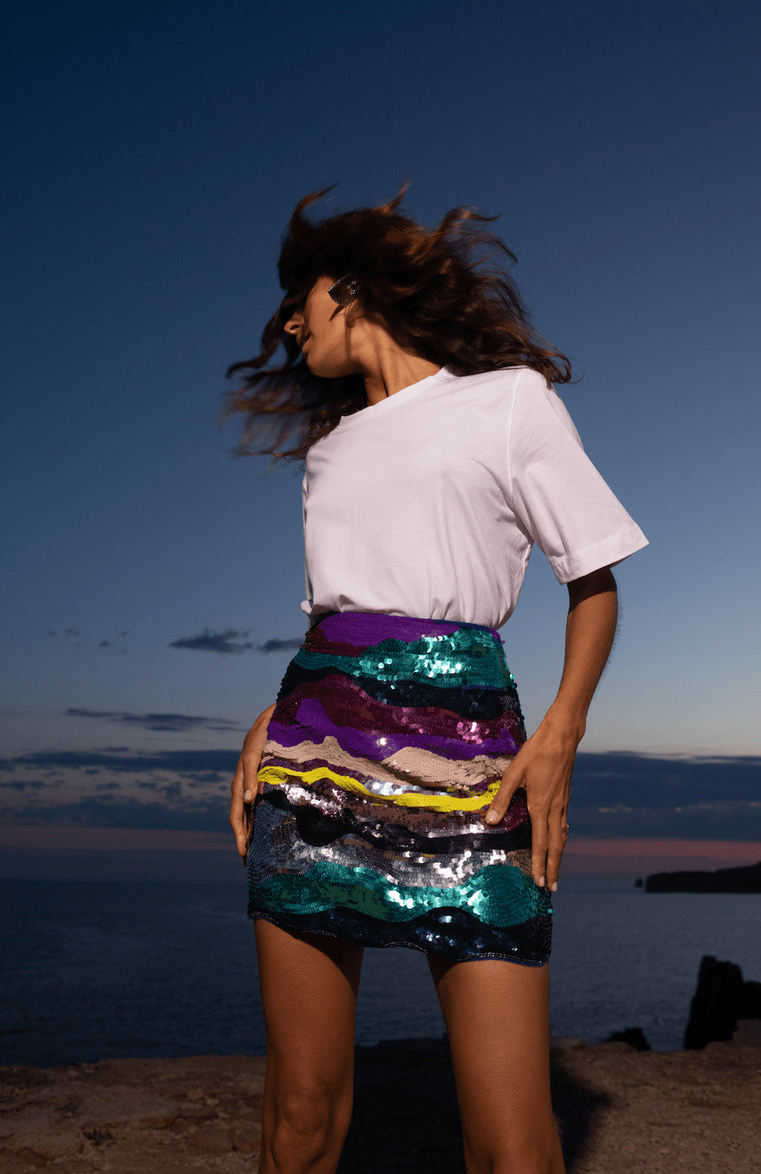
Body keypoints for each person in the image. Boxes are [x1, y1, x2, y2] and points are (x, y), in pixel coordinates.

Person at [226, 188, 647, 1174]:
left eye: (301, 298)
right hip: (311, 759)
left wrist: (558, 735)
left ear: (353, 284)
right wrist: (268, 717)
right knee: (298, 1115)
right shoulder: (327, 451)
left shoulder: (505, 401)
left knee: (512, 1144)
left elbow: (594, 582)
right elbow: (343, 610)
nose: (290, 324)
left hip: (470, 766)